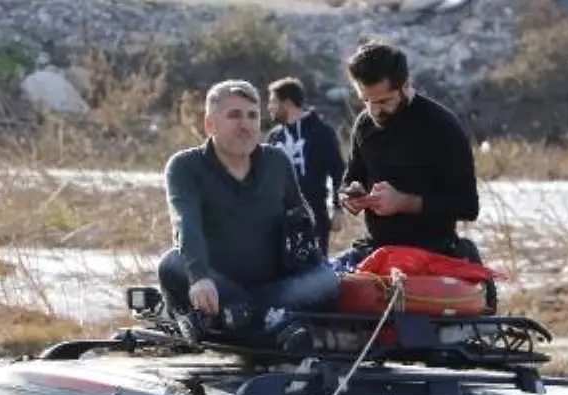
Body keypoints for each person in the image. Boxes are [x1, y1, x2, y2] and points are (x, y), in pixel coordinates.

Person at [157, 79, 338, 347]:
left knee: (327, 279)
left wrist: (306, 256)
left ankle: (247, 318)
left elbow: (300, 217)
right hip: (217, 285)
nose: (246, 124)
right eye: (234, 115)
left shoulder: (276, 161)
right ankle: (267, 322)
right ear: (210, 125)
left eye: (253, 115)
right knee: (171, 263)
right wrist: (199, 277)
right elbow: (186, 222)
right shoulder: (185, 166)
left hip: (273, 287)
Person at [335, 40, 483, 272]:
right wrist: (351, 196)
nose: (375, 111)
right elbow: (351, 179)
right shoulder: (364, 125)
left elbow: (467, 205)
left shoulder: (442, 126)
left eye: (384, 101)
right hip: (376, 250)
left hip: (432, 252)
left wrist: (404, 202)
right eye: (366, 101)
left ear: (405, 86)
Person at [265, 77, 347, 257]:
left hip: (314, 216)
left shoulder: (321, 132)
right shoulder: (274, 137)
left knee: (313, 273)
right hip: (278, 220)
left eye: (273, 101)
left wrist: (338, 208)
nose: (269, 107)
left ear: (287, 103)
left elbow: (338, 171)